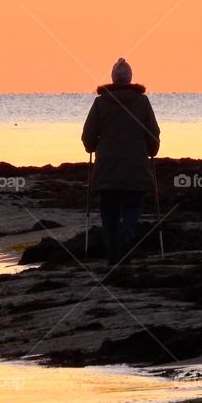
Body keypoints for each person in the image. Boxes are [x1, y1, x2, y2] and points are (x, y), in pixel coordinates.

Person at [81, 58, 160, 265]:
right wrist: (153, 150)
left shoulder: (100, 103)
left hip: (107, 168)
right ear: (130, 78)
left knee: (109, 212)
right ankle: (127, 233)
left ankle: (113, 254)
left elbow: (88, 135)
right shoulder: (142, 102)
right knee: (133, 206)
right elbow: (153, 132)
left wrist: (91, 147)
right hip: (136, 166)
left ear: (113, 79)